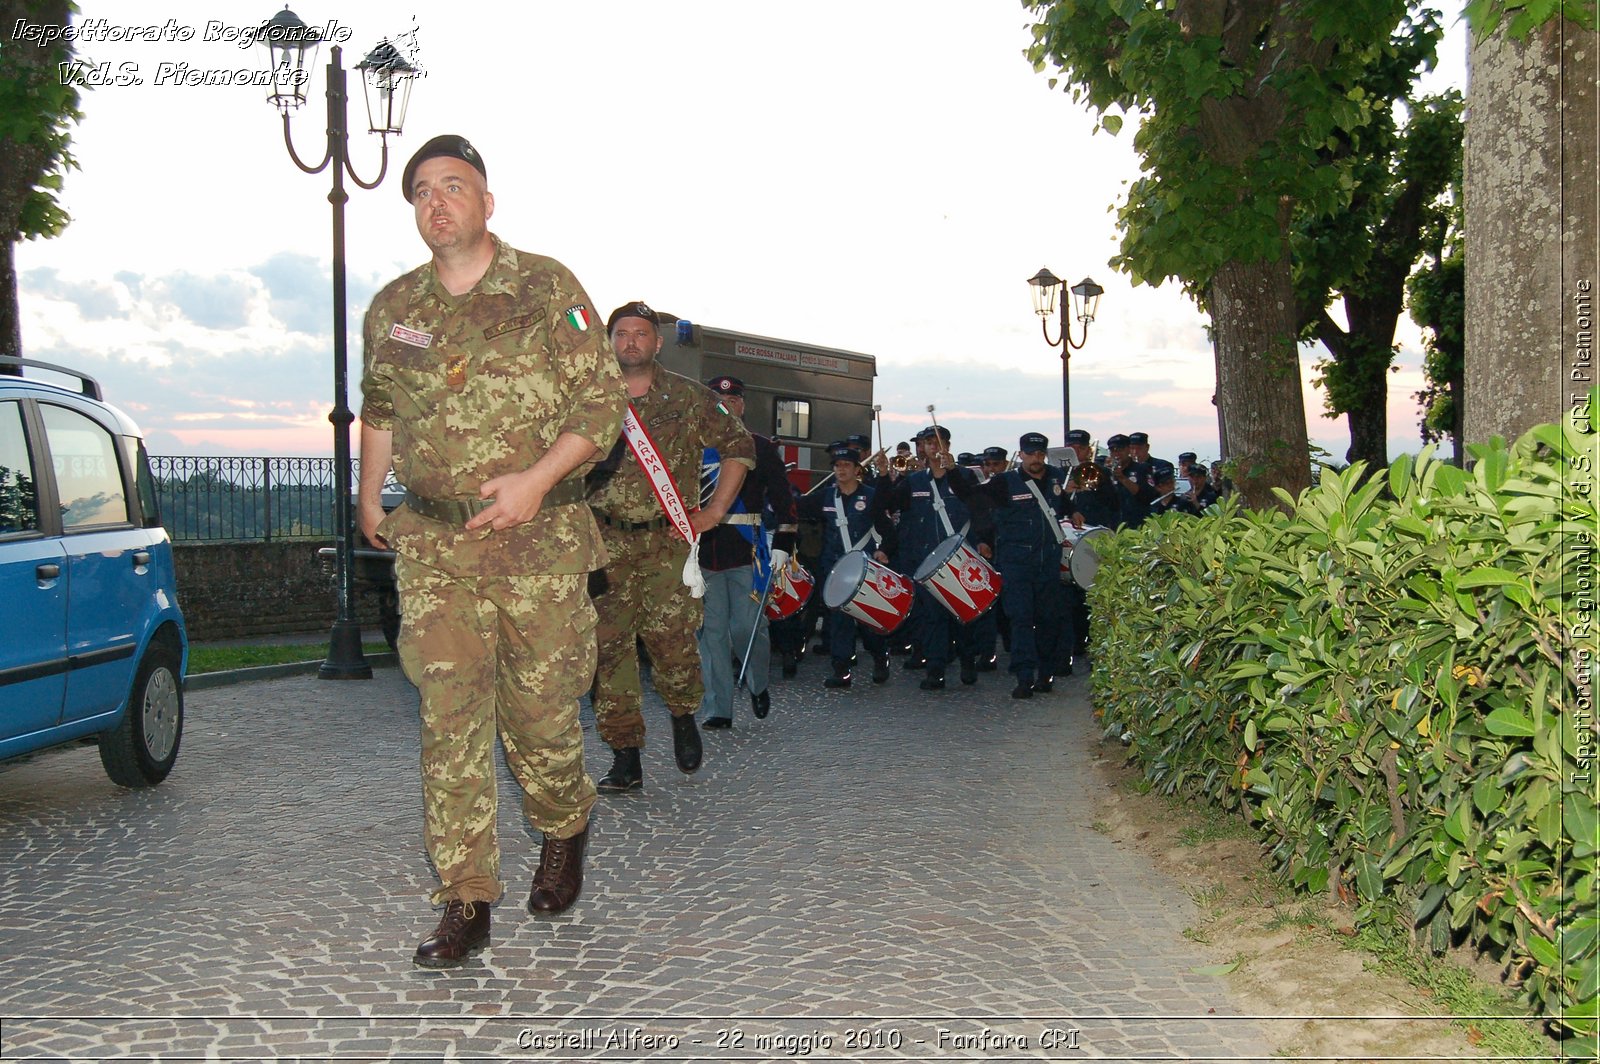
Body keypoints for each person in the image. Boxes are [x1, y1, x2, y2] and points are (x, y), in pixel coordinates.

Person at [358, 134, 628, 967]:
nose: (437, 203)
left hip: (538, 545)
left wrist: (537, 480)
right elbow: (380, 412)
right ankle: (466, 899)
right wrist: (371, 497)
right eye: (421, 192)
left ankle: (563, 820)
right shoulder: (393, 309)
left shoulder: (548, 289)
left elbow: (602, 404)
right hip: (435, 549)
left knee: (541, 723)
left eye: (454, 186)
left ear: (486, 202)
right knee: (449, 726)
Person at [585, 302, 754, 793]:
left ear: (657, 343)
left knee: (673, 644)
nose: (630, 342)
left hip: (667, 543)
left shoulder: (689, 397)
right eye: (621, 334)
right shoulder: (589, 400)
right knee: (607, 650)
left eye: (640, 334)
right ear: (609, 341)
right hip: (604, 545)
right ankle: (625, 754)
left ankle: (682, 714)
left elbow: (738, 448)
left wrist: (715, 511)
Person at [696, 375, 798, 729]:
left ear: (742, 404)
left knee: (746, 627)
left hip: (745, 549)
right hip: (704, 551)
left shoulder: (759, 446)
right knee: (713, 634)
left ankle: (757, 684)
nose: (728, 404)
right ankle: (718, 708)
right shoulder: (693, 446)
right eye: (719, 398)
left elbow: (784, 498)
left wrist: (784, 542)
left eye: (735, 399)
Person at [955, 432, 1074, 699]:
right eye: (1030, 454)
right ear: (1020, 455)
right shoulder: (1004, 483)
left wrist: (1073, 510)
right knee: (1020, 619)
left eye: (1040, 454)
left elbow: (1061, 504)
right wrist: (953, 471)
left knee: (1048, 620)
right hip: (1017, 561)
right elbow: (972, 500)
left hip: (1048, 560)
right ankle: (1024, 676)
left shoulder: (1054, 477)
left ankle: (1045, 674)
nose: (1036, 459)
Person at [883, 425, 987, 689]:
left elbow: (977, 505)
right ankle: (935, 669)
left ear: (948, 446)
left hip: (960, 558)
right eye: (928, 443)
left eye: (937, 442)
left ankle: (966, 660)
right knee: (932, 617)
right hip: (927, 560)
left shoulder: (965, 476)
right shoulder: (915, 481)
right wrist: (885, 476)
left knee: (962, 615)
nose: (932, 447)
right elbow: (888, 504)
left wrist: (952, 472)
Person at [798, 446, 898, 688]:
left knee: (868, 621)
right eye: (837, 465)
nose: (840, 470)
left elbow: (889, 530)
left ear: (857, 470)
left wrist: (884, 550)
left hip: (864, 567)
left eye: (846, 465)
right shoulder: (826, 497)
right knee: (839, 621)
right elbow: (797, 507)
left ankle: (879, 656)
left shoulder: (871, 496)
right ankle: (841, 669)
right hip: (835, 566)